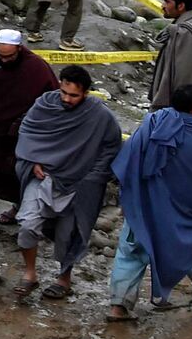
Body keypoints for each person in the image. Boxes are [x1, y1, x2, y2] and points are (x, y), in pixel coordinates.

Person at [107, 85, 192, 320]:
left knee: (131, 250)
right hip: (177, 212)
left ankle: (119, 306)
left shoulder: (152, 123)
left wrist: (131, 194)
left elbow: (128, 157)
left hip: (143, 206)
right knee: (190, 247)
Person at [12, 65, 121, 301]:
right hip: (43, 178)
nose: (67, 99)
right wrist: (32, 162)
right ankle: (30, 273)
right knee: (28, 225)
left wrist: (93, 176)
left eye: (74, 95)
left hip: (77, 184)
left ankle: (64, 278)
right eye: (64, 92)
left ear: (86, 94)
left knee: (68, 234)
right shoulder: (44, 105)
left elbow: (111, 145)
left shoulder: (100, 115)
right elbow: (28, 131)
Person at [0, 30, 57, 234]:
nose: (4, 61)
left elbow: (51, 98)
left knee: (19, 173)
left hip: (23, 133)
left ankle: (17, 208)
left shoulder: (36, 67)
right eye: (1, 56)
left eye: (10, 56)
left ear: (19, 49)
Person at [148, 0, 192, 110]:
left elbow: (185, 75)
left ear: (181, 6)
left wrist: (177, 107)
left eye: (167, 2)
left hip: (179, 107)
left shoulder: (186, 32)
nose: (162, 6)